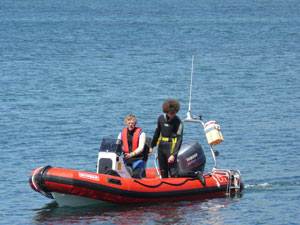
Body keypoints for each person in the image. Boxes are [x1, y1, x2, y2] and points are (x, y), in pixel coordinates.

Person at [150, 99, 183, 178]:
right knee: (163, 170)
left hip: (171, 147)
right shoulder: (160, 119)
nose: (172, 115)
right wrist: (152, 146)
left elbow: (179, 140)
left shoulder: (178, 122)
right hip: (161, 146)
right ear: (166, 111)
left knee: (172, 171)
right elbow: (157, 133)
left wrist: (173, 155)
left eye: (174, 113)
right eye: (171, 113)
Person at [117, 114, 147, 178]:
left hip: (138, 159)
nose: (130, 125)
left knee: (135, 175)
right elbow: (117, 145)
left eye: (132, 123)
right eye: (129, 123)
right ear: (126, 123)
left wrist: (131, 154)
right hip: (126, 159)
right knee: (123, 173)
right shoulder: (121, 133)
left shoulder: (142, 134)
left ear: (135, 123)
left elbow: (141, 148)